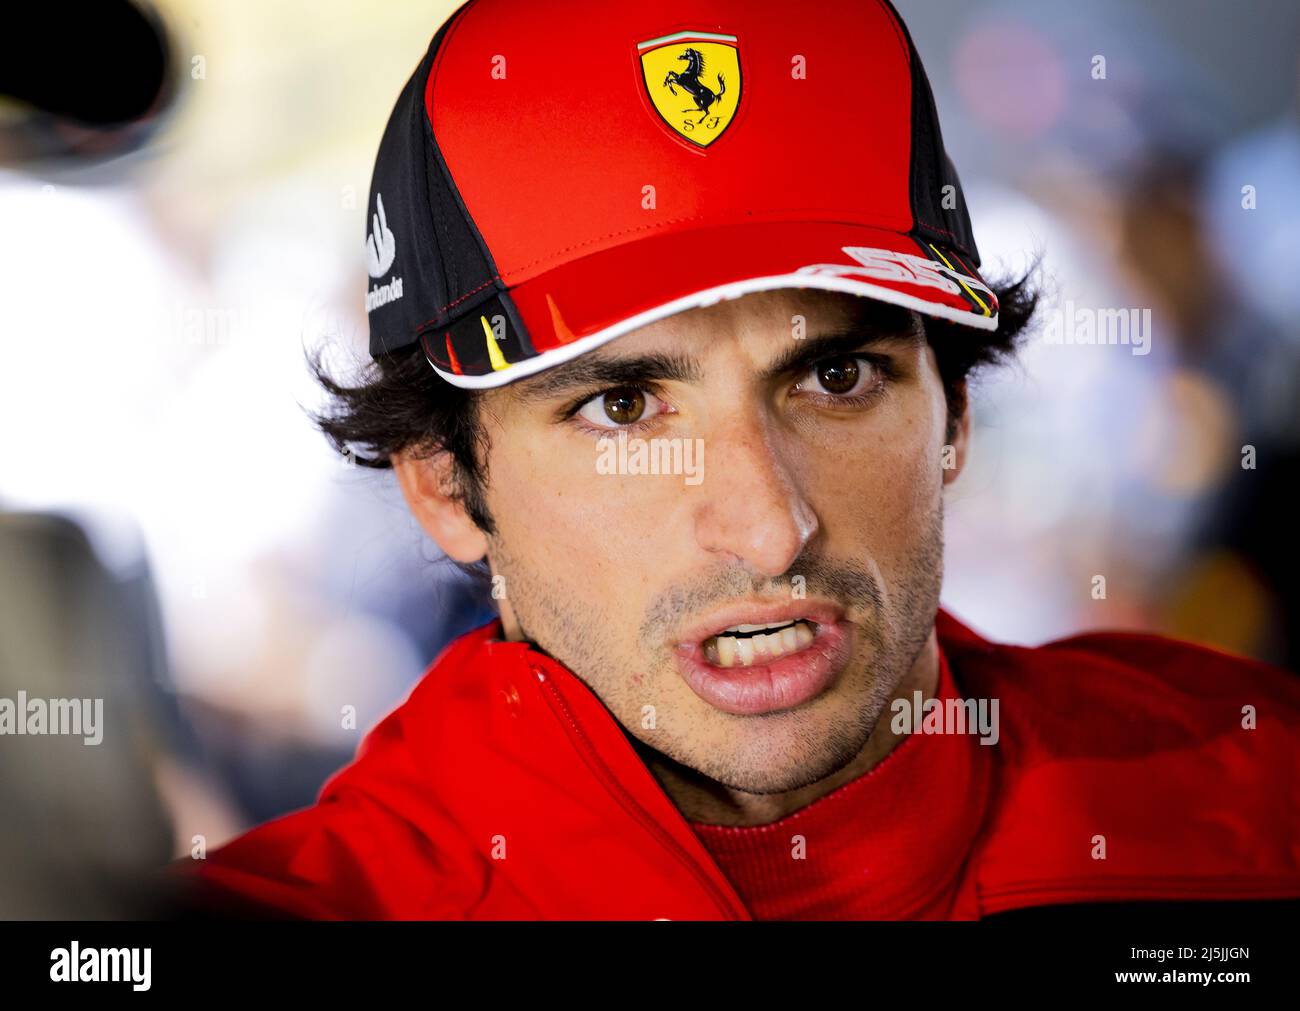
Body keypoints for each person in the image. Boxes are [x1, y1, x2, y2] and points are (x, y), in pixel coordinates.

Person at [165, 0, 1300, 920]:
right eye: (622, 405)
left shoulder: (1258, 796)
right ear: (444, 486)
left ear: (953, 414)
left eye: (836, 380)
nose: (769, 526)